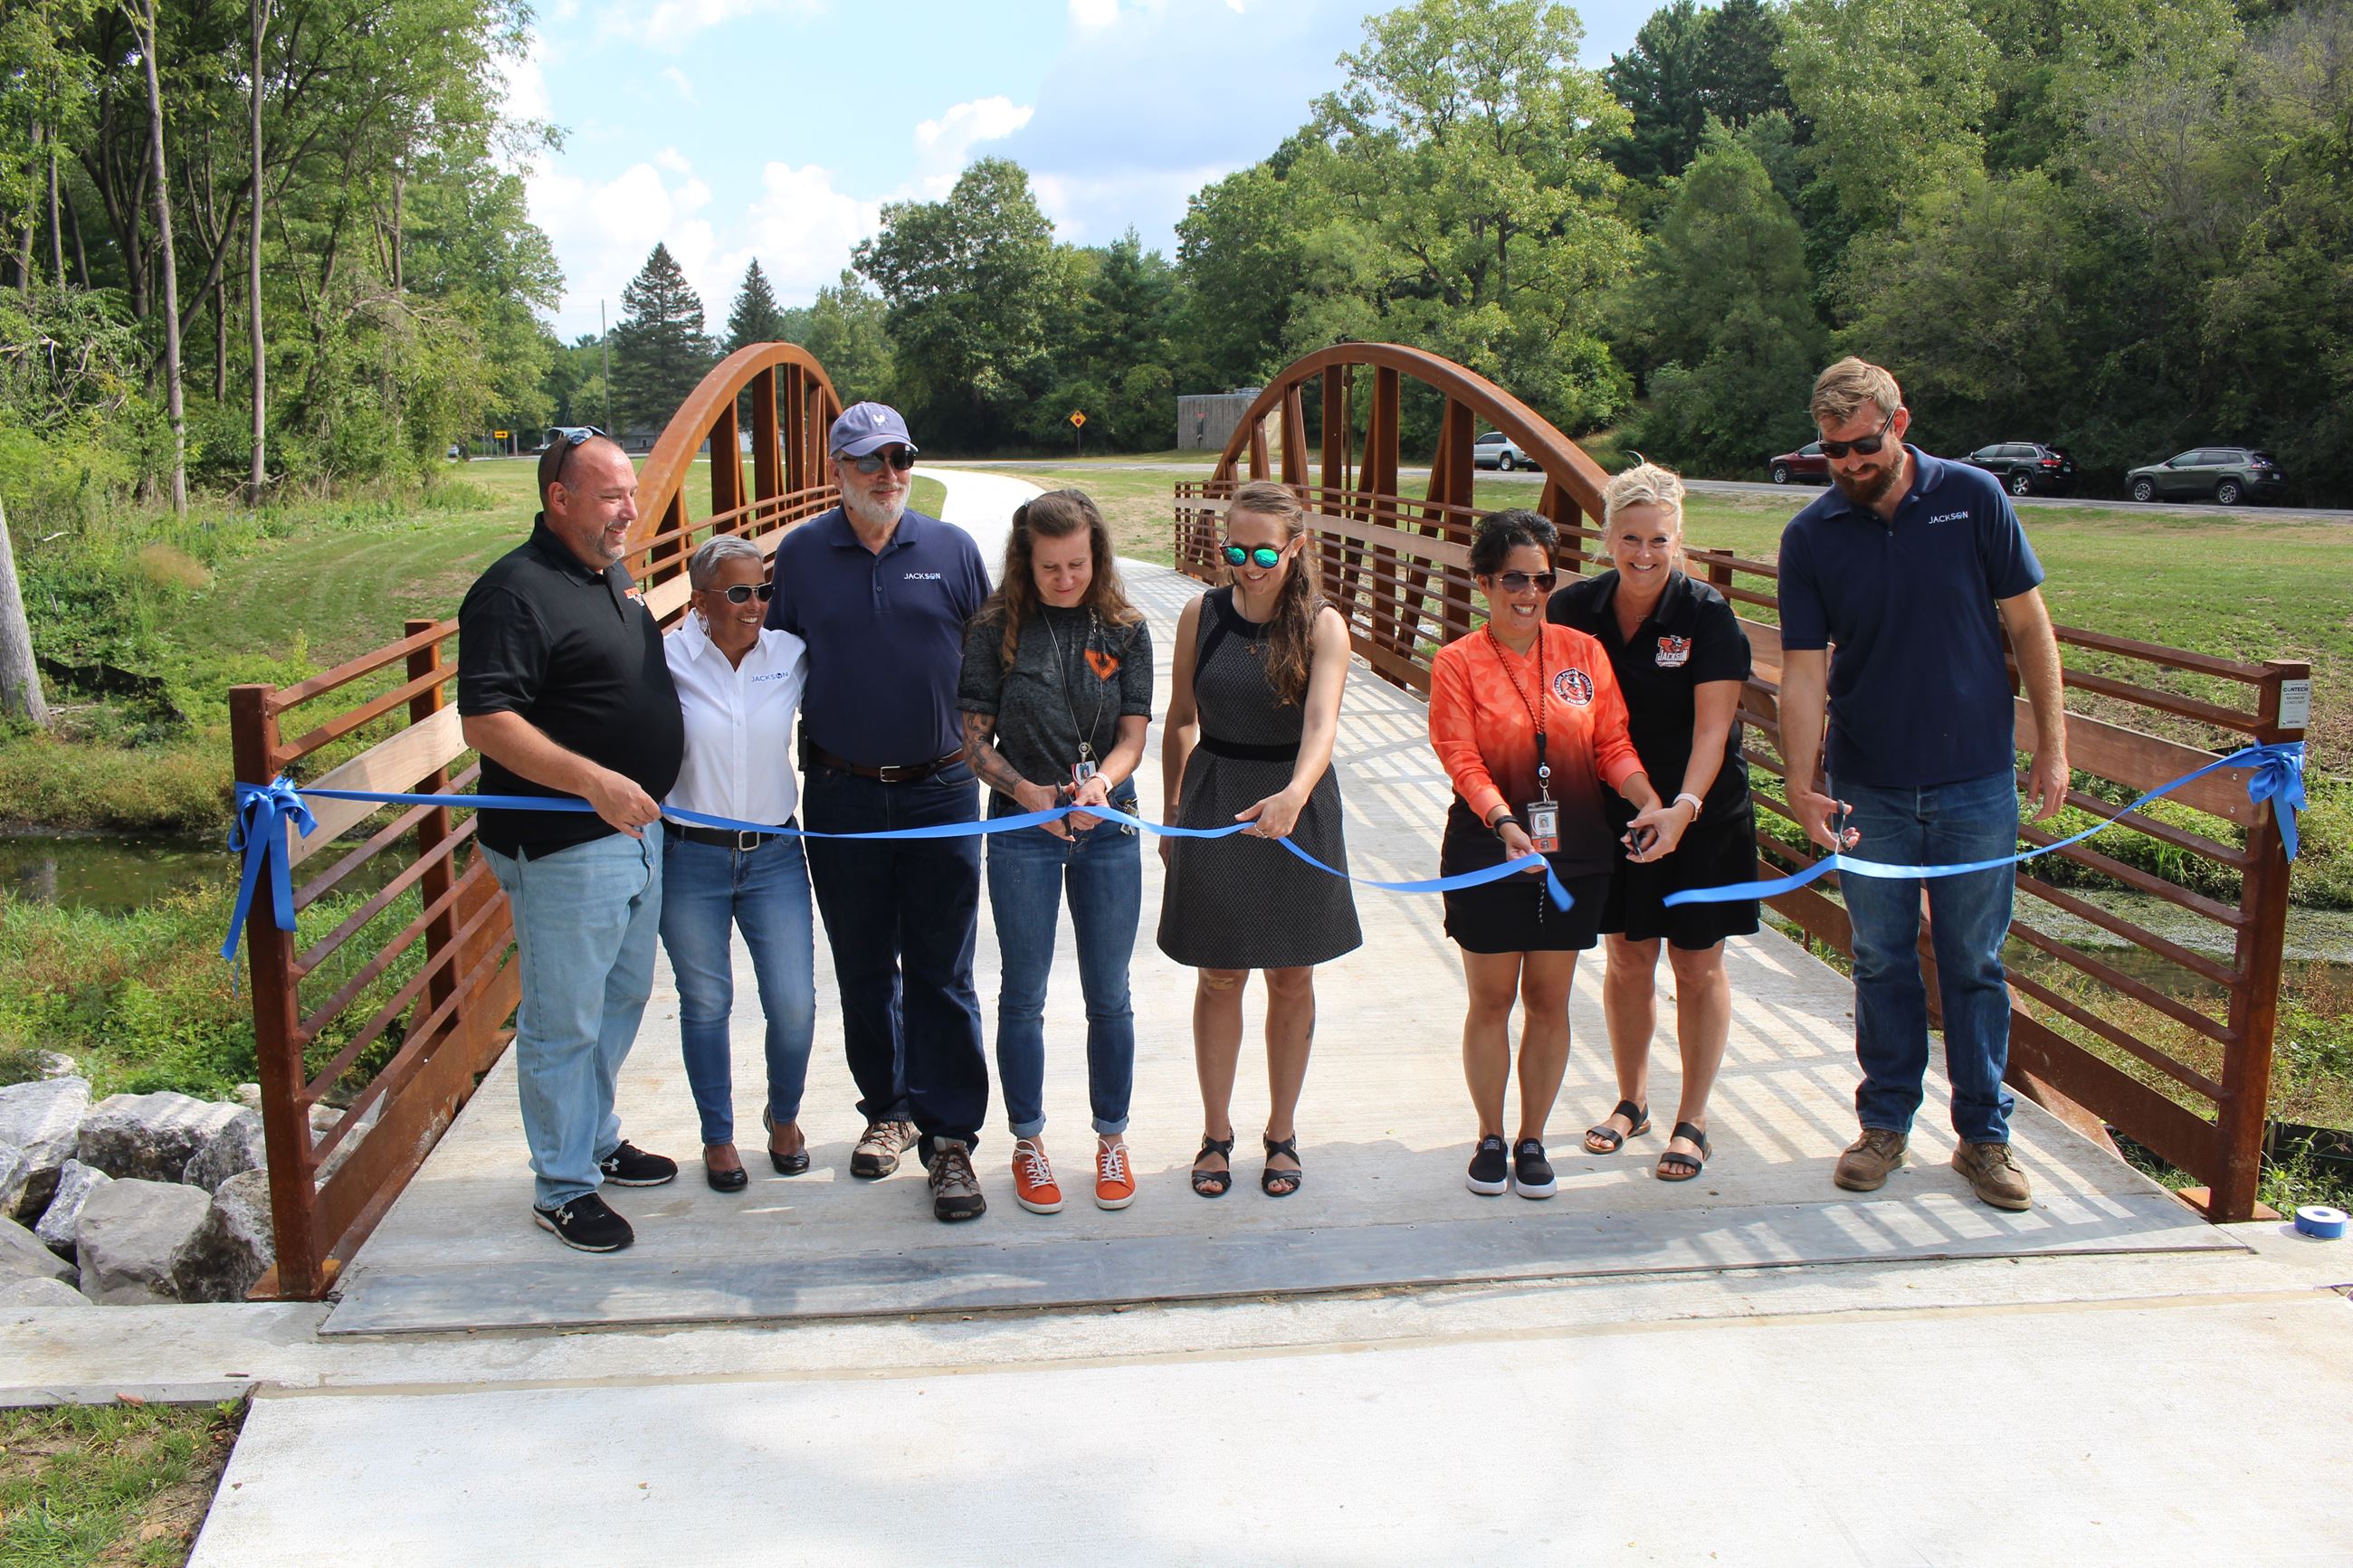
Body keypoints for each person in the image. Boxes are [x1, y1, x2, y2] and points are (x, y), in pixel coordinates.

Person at [1777, 356, 2069, 1212]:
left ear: (1900, 424)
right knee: (1879, 959)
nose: (1851, 465)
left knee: (1976, 961)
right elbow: (1801, 673)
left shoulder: (1975, 498)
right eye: (1833, 452)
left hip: (1976, 780)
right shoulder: (1812, 535)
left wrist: (2053, 745)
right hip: (1870, 785)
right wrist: (1802, 782)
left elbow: (2030, 624)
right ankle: (1884, 1125)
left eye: (1865, 445)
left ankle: (1985, 1138)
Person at [764, 402, 995, 1223]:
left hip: (940, 787)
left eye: (900, 458)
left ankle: (951, 1136)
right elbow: (766, 669)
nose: (889, 474)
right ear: (837, 471)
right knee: (864, 966)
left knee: (943, 967)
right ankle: (888, 1109)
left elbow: (996, 661)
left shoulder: (951, 550)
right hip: (842, 791)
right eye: (870, 461)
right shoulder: (798, 556)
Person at [458, 430, 681, 1254]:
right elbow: (486, 718)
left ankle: (594, 1136)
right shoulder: (512, 592)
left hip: (631, 833)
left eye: (631, 492)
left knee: (619, 998)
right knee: (563, 1018)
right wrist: (592, 779)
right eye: (612, 495)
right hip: (561, 844)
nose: (631, 509)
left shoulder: (604, 572)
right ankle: (561, 1185)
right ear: (560, 499)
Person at [1429, 508, 1674, 1200]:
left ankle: (1532, 1137)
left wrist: (1647, 798)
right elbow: (1461, 757)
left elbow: (1612, 745)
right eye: (1513, 578)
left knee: (1549, 998)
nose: (1528, 593)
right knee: (1492, 998)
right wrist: (1504, 820)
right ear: (1484, 581)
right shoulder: (1457, 662)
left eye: (1541, 578)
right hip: (1488, 848)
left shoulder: (1582, 653)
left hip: (1575, 854)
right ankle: (1489, 1134)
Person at [1549, 464, 1761, 1182]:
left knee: (1697, 966)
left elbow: (1713, 732)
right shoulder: (1573, 608)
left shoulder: (1707, 615)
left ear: (1680, 539)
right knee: (1628, 958)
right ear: (1607, 536)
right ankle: (1632, 1101)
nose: (1644, 553)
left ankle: (1693, 1118)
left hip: (1702, 811)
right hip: (1617, 810)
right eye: (1630, 538)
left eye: (1659, 540)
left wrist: (1682, 809)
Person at [1157, 480, 1362, 1200]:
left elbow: (1321, 727)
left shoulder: (1321, 625)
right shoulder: (1200, 614)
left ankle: (1282, 1132)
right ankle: (1216, 1132)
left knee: (1291, 975)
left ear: (1297, 546)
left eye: (1263, 552)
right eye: (1234, 548)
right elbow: (1182, 715)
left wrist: (1296, 795)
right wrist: (1175, 805)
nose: (1246, 564)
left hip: (1294, 803)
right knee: (1218, 973)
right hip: (1216, 797)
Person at [957, 490, 1153, 1214]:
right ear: (1025, 561)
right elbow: (972, 741)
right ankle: (1029, 1140)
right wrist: (1026, 792)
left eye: (1077, 563)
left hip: (1108, 827)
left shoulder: (1127, 629)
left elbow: (1133, 736)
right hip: (1022, 830)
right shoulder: (994, 628)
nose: (1066, 578)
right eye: (1050, 567)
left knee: (1111, 993)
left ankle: (1111, 1139)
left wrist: (1102, 781)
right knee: (1024, 993)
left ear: (1096, 556)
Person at [657, 535, 815, 1193]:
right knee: (706, 1003)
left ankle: (784, 1116)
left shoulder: (791, 654)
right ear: (699, 601)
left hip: (775, 853)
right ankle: (717, 1137)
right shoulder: (664, 658)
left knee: (793, 1003)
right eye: (739, 593)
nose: (756, 606)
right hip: (689, 856)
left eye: (764, 591)